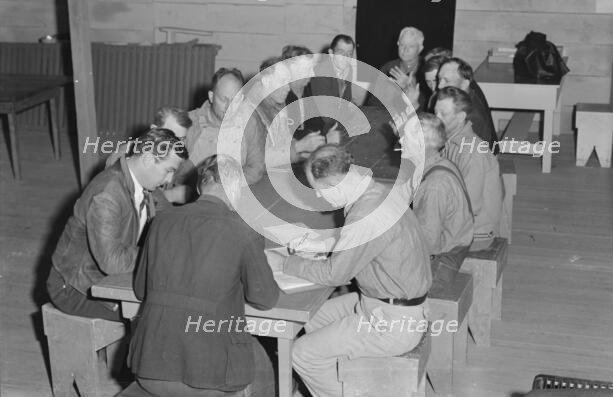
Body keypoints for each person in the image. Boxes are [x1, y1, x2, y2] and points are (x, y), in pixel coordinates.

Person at [267, 144, 431, 397]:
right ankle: (334, 380)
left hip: (393, 323)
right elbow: (371, 243)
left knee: (302, 354)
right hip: (390, 304)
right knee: (312, 318)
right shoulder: (379, 191)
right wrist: (323, 243)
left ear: (336, 183)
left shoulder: (366, 213)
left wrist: (285, 264)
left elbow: (335, 275)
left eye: (319, 190)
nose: (320, 197)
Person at [128, 155, 280, 397]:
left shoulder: (161, 221)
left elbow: (140, 289)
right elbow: (266, 299)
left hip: (150, 368)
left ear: (199, 186)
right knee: (264, 367)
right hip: (210, 379)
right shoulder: (243, 230)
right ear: (237, 191)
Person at [46, 128, 188, 321]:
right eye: (169, 170)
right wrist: (158, 252)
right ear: (147, 159)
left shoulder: (145, 183)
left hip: (103, 277)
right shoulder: (107, 194)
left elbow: (171, 221)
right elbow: (112, 261)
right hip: (75, 287)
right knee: (159, 319)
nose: (169, 180)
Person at [400, 113, 474, 294]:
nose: (400, 143)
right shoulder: (440, 163)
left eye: (405, 139)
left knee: (376, 279)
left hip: (440, 262)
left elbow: (427, 244)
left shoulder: (434, 185)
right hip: (451, 248)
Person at [169, 68, 266, 203]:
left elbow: (256, 168)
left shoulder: (249, 123)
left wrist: (224, 187)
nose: (229, 107)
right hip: (192, 200)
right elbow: (170, 170)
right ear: (211, 96)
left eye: (235, 100)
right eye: (223, 99)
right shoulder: (189, 123)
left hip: (233, 199)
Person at [434, 87, 503, 248]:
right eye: (435, 112)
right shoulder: (451, 141)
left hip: (475, 234)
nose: (436, 119)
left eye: (443, 114)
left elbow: (470, 207)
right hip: (459, 226)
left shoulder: (471, 152)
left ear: (460, 117)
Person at [249, 59, 325, 166]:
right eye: (282, 81)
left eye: (288, 82)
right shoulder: (250, 111)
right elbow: (256, 160)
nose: (288, 88)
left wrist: (304, 151)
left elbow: (285, 140)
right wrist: (299, 146)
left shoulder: (277, 104)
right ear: (266, 81)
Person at [303, 34, 355, 144]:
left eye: (349, 54)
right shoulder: (321, 73)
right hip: (314, 132)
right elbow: (327, 116)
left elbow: (346, 102)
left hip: (334, 125)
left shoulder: (347, 69)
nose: (346, 58)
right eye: (341, 53)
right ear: (331, 53)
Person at [437, 57, 498, 146]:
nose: (439, 86)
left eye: (447, 81)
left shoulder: (471, 117)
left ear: (464, 84)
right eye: (439, 78)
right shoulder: (462, 99)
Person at [104, 106, 191, 168]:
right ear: (154, 130)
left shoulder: (176, 158)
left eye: (182, 139)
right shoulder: (123, 157)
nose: (178, 144)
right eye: (171, 136)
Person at [370, 26, 427, 110]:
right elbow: (373, 102)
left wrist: (408, 88)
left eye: (411, 46)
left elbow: (428, 108)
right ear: (397, 44)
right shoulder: (388, 68)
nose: (405, 50)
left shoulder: (426, 70)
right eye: (402, 45)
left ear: (420, 48)